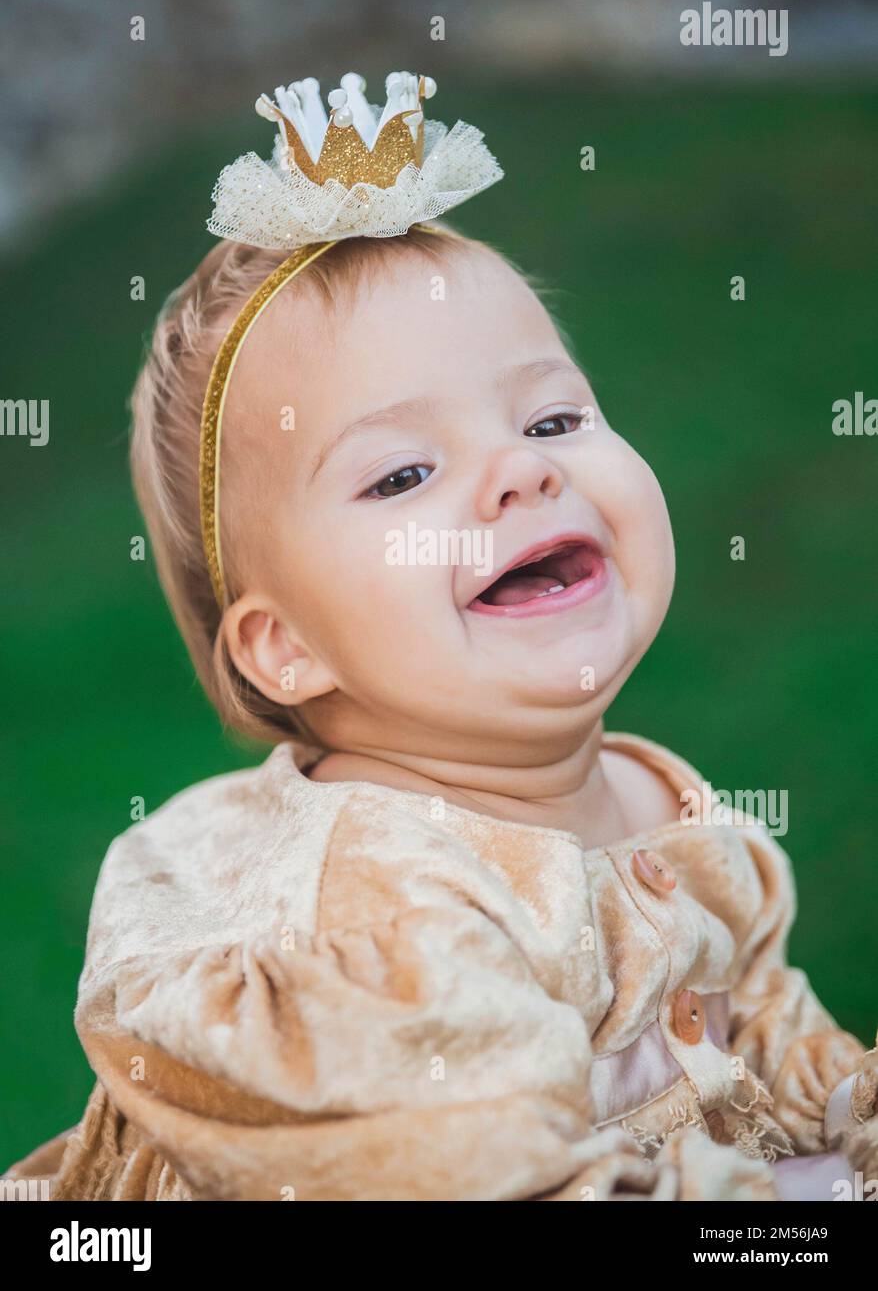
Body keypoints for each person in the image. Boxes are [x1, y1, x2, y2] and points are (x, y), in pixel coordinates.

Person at [5, 72, 876, 1201]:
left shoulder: (652, 801)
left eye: (551, 417)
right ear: (285, 647)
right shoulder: (371, 914)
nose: (521, 469)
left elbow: (752, 1028)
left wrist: (842, 1115)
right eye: (403, 474)